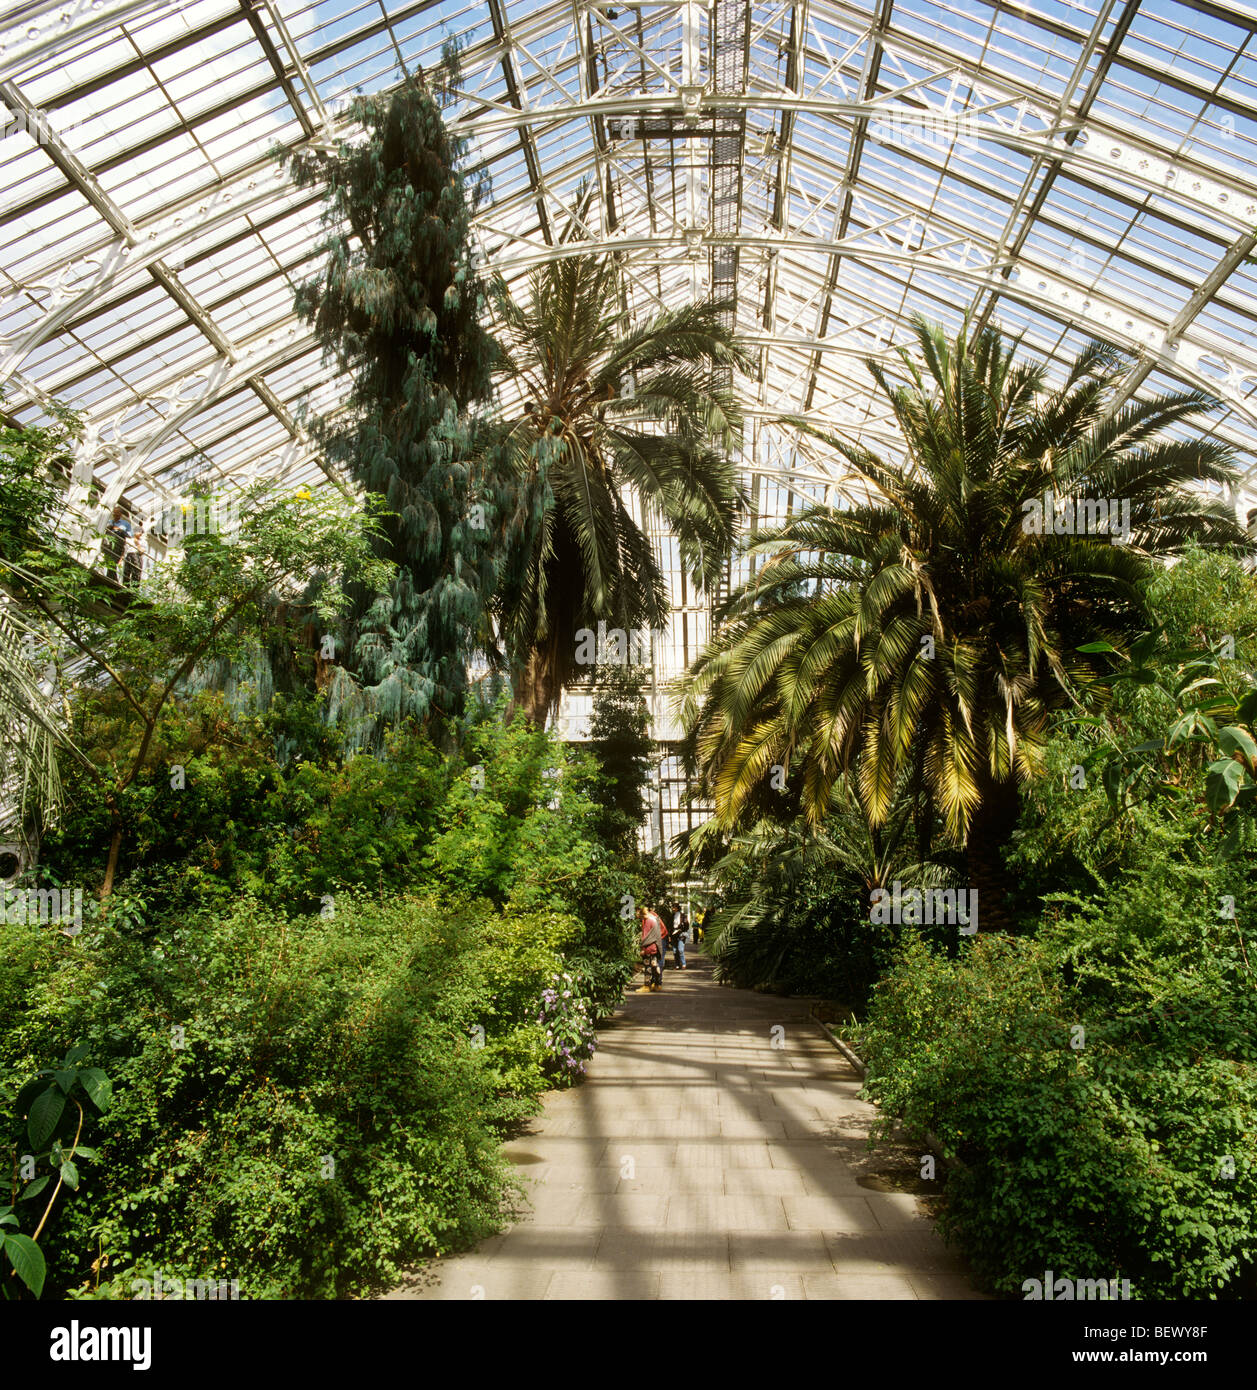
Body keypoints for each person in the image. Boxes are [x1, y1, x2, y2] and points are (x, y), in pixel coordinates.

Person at [639, 904, 664, 992]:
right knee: (654, 965)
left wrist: (643, 948)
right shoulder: (654, 919)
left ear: (643, 915)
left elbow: (645, 936)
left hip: (648, 948)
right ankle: (657, 985)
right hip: (654, 947)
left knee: (647, 967)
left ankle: (646, 986)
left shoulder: (647, 921)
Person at [103, 505, 130, 580]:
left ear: (120, 514)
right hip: (108, 546)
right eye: (114, 513)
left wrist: (120, 529)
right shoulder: (109, 522)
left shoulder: (125, 524)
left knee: (113, 563)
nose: (115, 514)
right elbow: (105, 530)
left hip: (117, 547)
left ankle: (112, 578)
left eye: (117, 513)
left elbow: (129, 536)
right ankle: (111, 577)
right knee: (108, 562)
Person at [121, 522, 145, 587]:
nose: (140, 533)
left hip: (137, 556)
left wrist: (137, 544)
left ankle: (134, 588)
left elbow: (142, 551)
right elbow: (124, 550)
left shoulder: (142, 541)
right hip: (128, 555)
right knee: (126, 571)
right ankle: (125, 586)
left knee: (136, 573)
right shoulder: (128, 539)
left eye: (141, 532)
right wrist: (121, 558)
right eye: (139, 531)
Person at [672, 902, 687, 970]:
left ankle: (683, 963)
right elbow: (670, 925)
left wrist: (682, 927)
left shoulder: (682, 915)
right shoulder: (672, 916)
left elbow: (687, 925)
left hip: (680, 934)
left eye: (674, 907)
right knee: (675, 951)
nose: (673, 909)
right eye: (673, 907)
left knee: (680, 950)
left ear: (677, 908)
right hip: (674, 934)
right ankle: (677, 964)